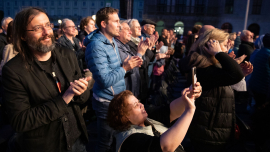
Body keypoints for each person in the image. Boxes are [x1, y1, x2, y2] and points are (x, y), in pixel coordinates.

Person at [2, 7, 91, 152]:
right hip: (45, 146)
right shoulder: (13, 71)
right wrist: (65, 97)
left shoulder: (67, 55)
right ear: (23, 35)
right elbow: (20, 121)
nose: (47, 32)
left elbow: (83, 98)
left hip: (77, 140)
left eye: (48, 25)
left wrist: (81, 91)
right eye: (38, 28)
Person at [84, 7, 142, 152]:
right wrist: (124, 68)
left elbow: (116, 69)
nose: (120, 25)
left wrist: (131, 63)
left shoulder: (112, 41)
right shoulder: (96, 46)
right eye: (116, 21)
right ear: (103, 24)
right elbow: (104, 81)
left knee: (116, 140)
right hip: (106, 103)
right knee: (105, 143)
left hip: (116, 100)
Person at [184, 28, 244, 152]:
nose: (227, 48)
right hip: (209, 131)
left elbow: (226, 81)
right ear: (210, 47)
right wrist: (219, 53)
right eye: (223, 45)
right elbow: (234, 74)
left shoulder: (211, 65)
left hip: (214, 127)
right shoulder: (204, 68)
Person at [107, 83, 202, 152]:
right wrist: (190, 111)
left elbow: (171, 110)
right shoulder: (129, 140)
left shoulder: (146, 117)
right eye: (136, 105)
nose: (142, 105)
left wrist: (190, 95)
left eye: (139, 101)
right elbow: (165, 147)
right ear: (125, 116)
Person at [126, 19, 163, 103]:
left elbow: (151, 59)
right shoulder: (134, 42)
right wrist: (148, 49)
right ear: (129, 29)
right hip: (137, 80)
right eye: (137, 27)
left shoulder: (139, 41)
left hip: (144, 77)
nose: (140, 28)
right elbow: (143, 63)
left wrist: (154, 48)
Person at [115, 20, 147, 98]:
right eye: (127, 29)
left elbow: (141, 63)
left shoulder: (126, 46)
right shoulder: (117, 46)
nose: (130, 32)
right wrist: (140, 53)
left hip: (132, 90)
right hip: (125, 92)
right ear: (118, 32)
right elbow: (130, 67)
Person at [249, 34, 270, 108]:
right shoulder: (268, 54)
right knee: (261, 109)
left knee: (258, 106)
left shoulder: (260, 51)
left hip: (256, 85)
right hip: (264, 88)